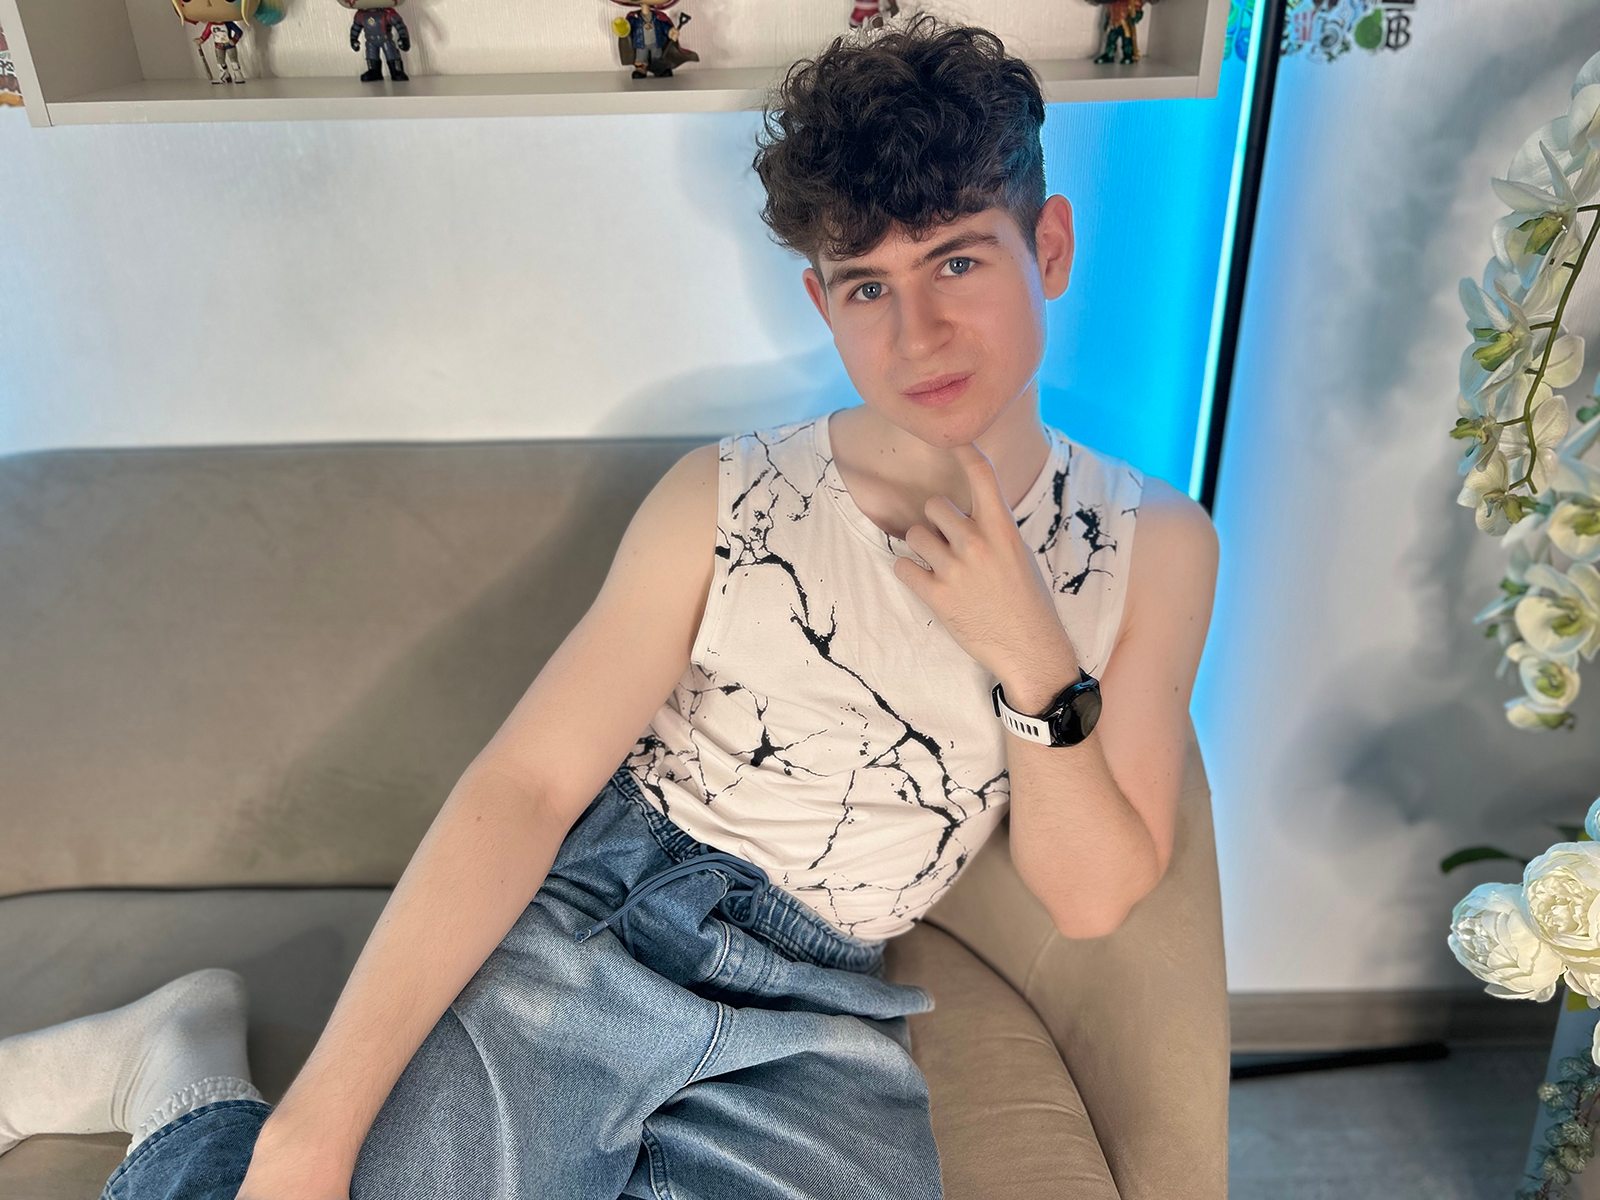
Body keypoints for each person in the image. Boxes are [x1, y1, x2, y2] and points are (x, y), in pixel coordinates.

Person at [0, 12, 1218, 1199]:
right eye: (866, 288)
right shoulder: (726, 496)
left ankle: (181, 1076)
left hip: (826, 998)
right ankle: (186, 1084)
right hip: (612, 912)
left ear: (1048, 246)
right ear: (821, 302)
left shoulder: (1154, 544)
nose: (918, 334)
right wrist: (310, 1135)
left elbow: (1093, 896)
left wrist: (1027, 650)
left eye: (957, 260)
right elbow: (529, 782)